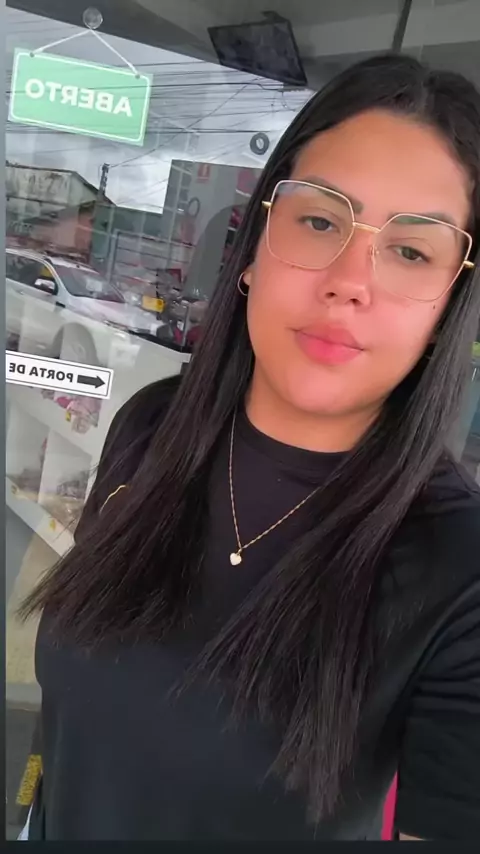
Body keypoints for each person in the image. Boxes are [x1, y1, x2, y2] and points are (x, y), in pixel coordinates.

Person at [20, 53, 480, 841]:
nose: (350, 281)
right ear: (255, 243)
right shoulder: (152, 428)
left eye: (411, 251)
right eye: (321, 220)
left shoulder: (460, 568)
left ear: (446, 310)